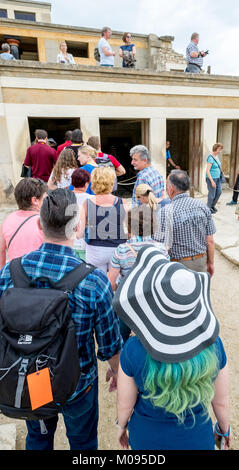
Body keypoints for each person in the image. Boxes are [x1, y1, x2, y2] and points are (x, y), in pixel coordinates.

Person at [0, 188, 122, 450]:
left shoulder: (10, 273)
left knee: (39, 437)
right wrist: (115, 369)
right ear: (77, 225)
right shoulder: (93, 281)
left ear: (38, 223)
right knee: (83, 442)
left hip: (34, 376)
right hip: (78, 383)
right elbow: (109, 344)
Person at [113, 245, 231, 450]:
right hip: (197, 440)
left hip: (146, 440)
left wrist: (121, 427)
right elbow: (220, 402)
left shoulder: (133, 350)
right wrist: (224, 429)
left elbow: (125, 404)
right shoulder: (213, 345)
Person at [108, 206, 168, 343]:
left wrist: (119, 285)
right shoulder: (161, 249)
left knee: (121, 336)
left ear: (129, 225)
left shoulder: (121, 250)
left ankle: (120, 362)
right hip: (152, 301)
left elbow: (110, 283)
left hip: (127, 300)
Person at [154, 170, 216, 276]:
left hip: (177, 266)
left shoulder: (165, 212)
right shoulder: (202, 206)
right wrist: (211, 263)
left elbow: (160, 245)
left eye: (166, 185)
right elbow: (210, 241)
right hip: (201, 262)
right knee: (200, 291)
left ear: (171, 188)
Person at [79, 167, 128, 273]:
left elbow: (79, 233)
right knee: (115, 283)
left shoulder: (87, 203)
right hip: (117, 249)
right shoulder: (123, 202)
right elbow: (129, 229)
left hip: (95, 249)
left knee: (95, 281)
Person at [0, 178, 47, 269]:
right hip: (36, 276)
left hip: (15, 276)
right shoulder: (43, 222)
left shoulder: (8, 220)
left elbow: (1, 251)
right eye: (45, 199)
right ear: (35, 200)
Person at [72, 169, 92, 261]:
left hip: (68, 241)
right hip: (85, 242)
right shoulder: (91, 199)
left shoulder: (65, 196)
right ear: (86, 183)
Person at [206, 143, 224, 214]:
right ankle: (208, 208)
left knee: (219, 192)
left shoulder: (217, 156)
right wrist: (212, 181)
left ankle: (212, 206)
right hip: (211, 178)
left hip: (218, 178)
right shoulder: (210, 157)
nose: (220, 151)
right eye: (219, 149)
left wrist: (221, 172)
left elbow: (218, 165)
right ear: (215, 149)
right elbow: (207, 171)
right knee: (212, 194)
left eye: (221, 149)